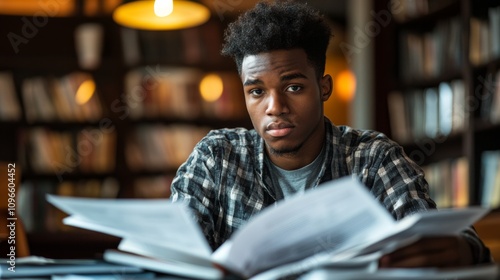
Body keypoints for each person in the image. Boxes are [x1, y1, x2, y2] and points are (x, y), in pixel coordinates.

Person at [171, 0, 491, 268]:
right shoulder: (216, 159)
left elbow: (441, 235)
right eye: (256, 92)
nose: (275, 107)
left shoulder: (372, 158)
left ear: (324, 88)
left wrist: (463, 249)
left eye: (293, 87)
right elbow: (172, 252)